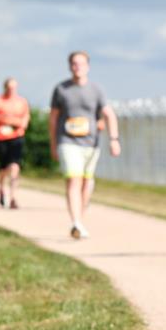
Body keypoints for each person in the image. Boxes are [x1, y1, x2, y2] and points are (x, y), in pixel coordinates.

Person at [49, 51, 121, 239]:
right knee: (74, 179)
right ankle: (76, 222)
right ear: (69, 66)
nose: (77, 67)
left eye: (81, 63)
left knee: (87, 182)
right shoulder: (61, 89)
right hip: (67, 141)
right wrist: (53, 143)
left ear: (87, 66)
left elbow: (108, 114)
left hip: (91, 143)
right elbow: (53, 118)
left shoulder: (96, 90)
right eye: (74, 63)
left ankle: (79, 219)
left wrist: (114, 139)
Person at [0, 77, 30, 209]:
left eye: (14, 88)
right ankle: (1, 189)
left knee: (15, 166)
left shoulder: (22, 102)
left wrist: (14, 122)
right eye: (9, 88)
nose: (12, 90)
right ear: (5, 87)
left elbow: (25, 121)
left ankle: (13, 198)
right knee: (4, 168)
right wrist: (5, 119)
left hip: (16, 136)